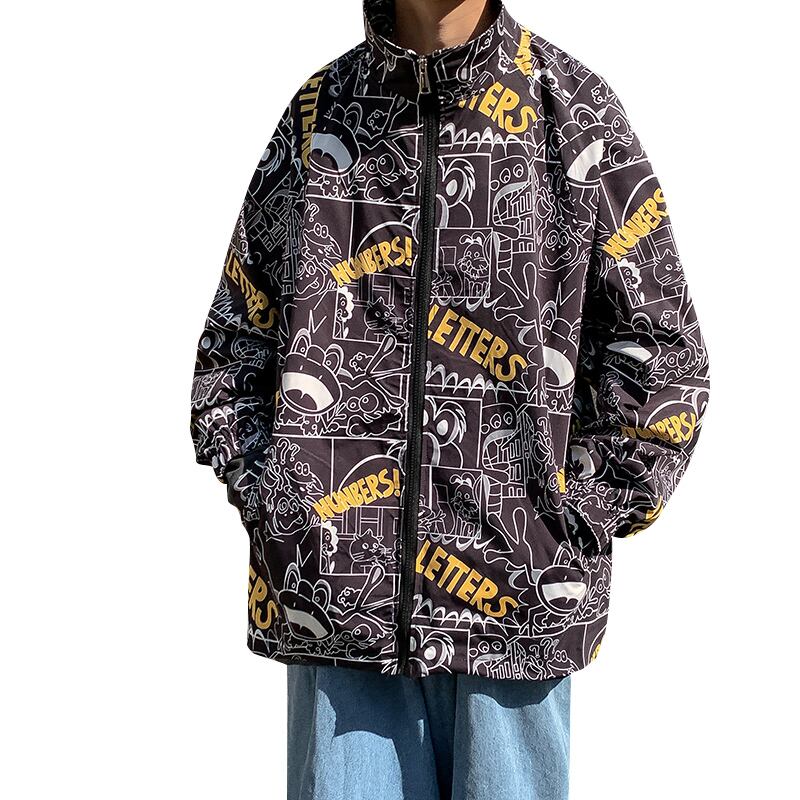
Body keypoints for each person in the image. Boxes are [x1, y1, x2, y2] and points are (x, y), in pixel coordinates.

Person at [189, 0, 711, 797]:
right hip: (339, 609)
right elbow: (236, 340)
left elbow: (663, 351)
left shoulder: (572, 111)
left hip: (518, 610)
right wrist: (284, 501)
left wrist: (570, 520)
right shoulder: (320, 116)